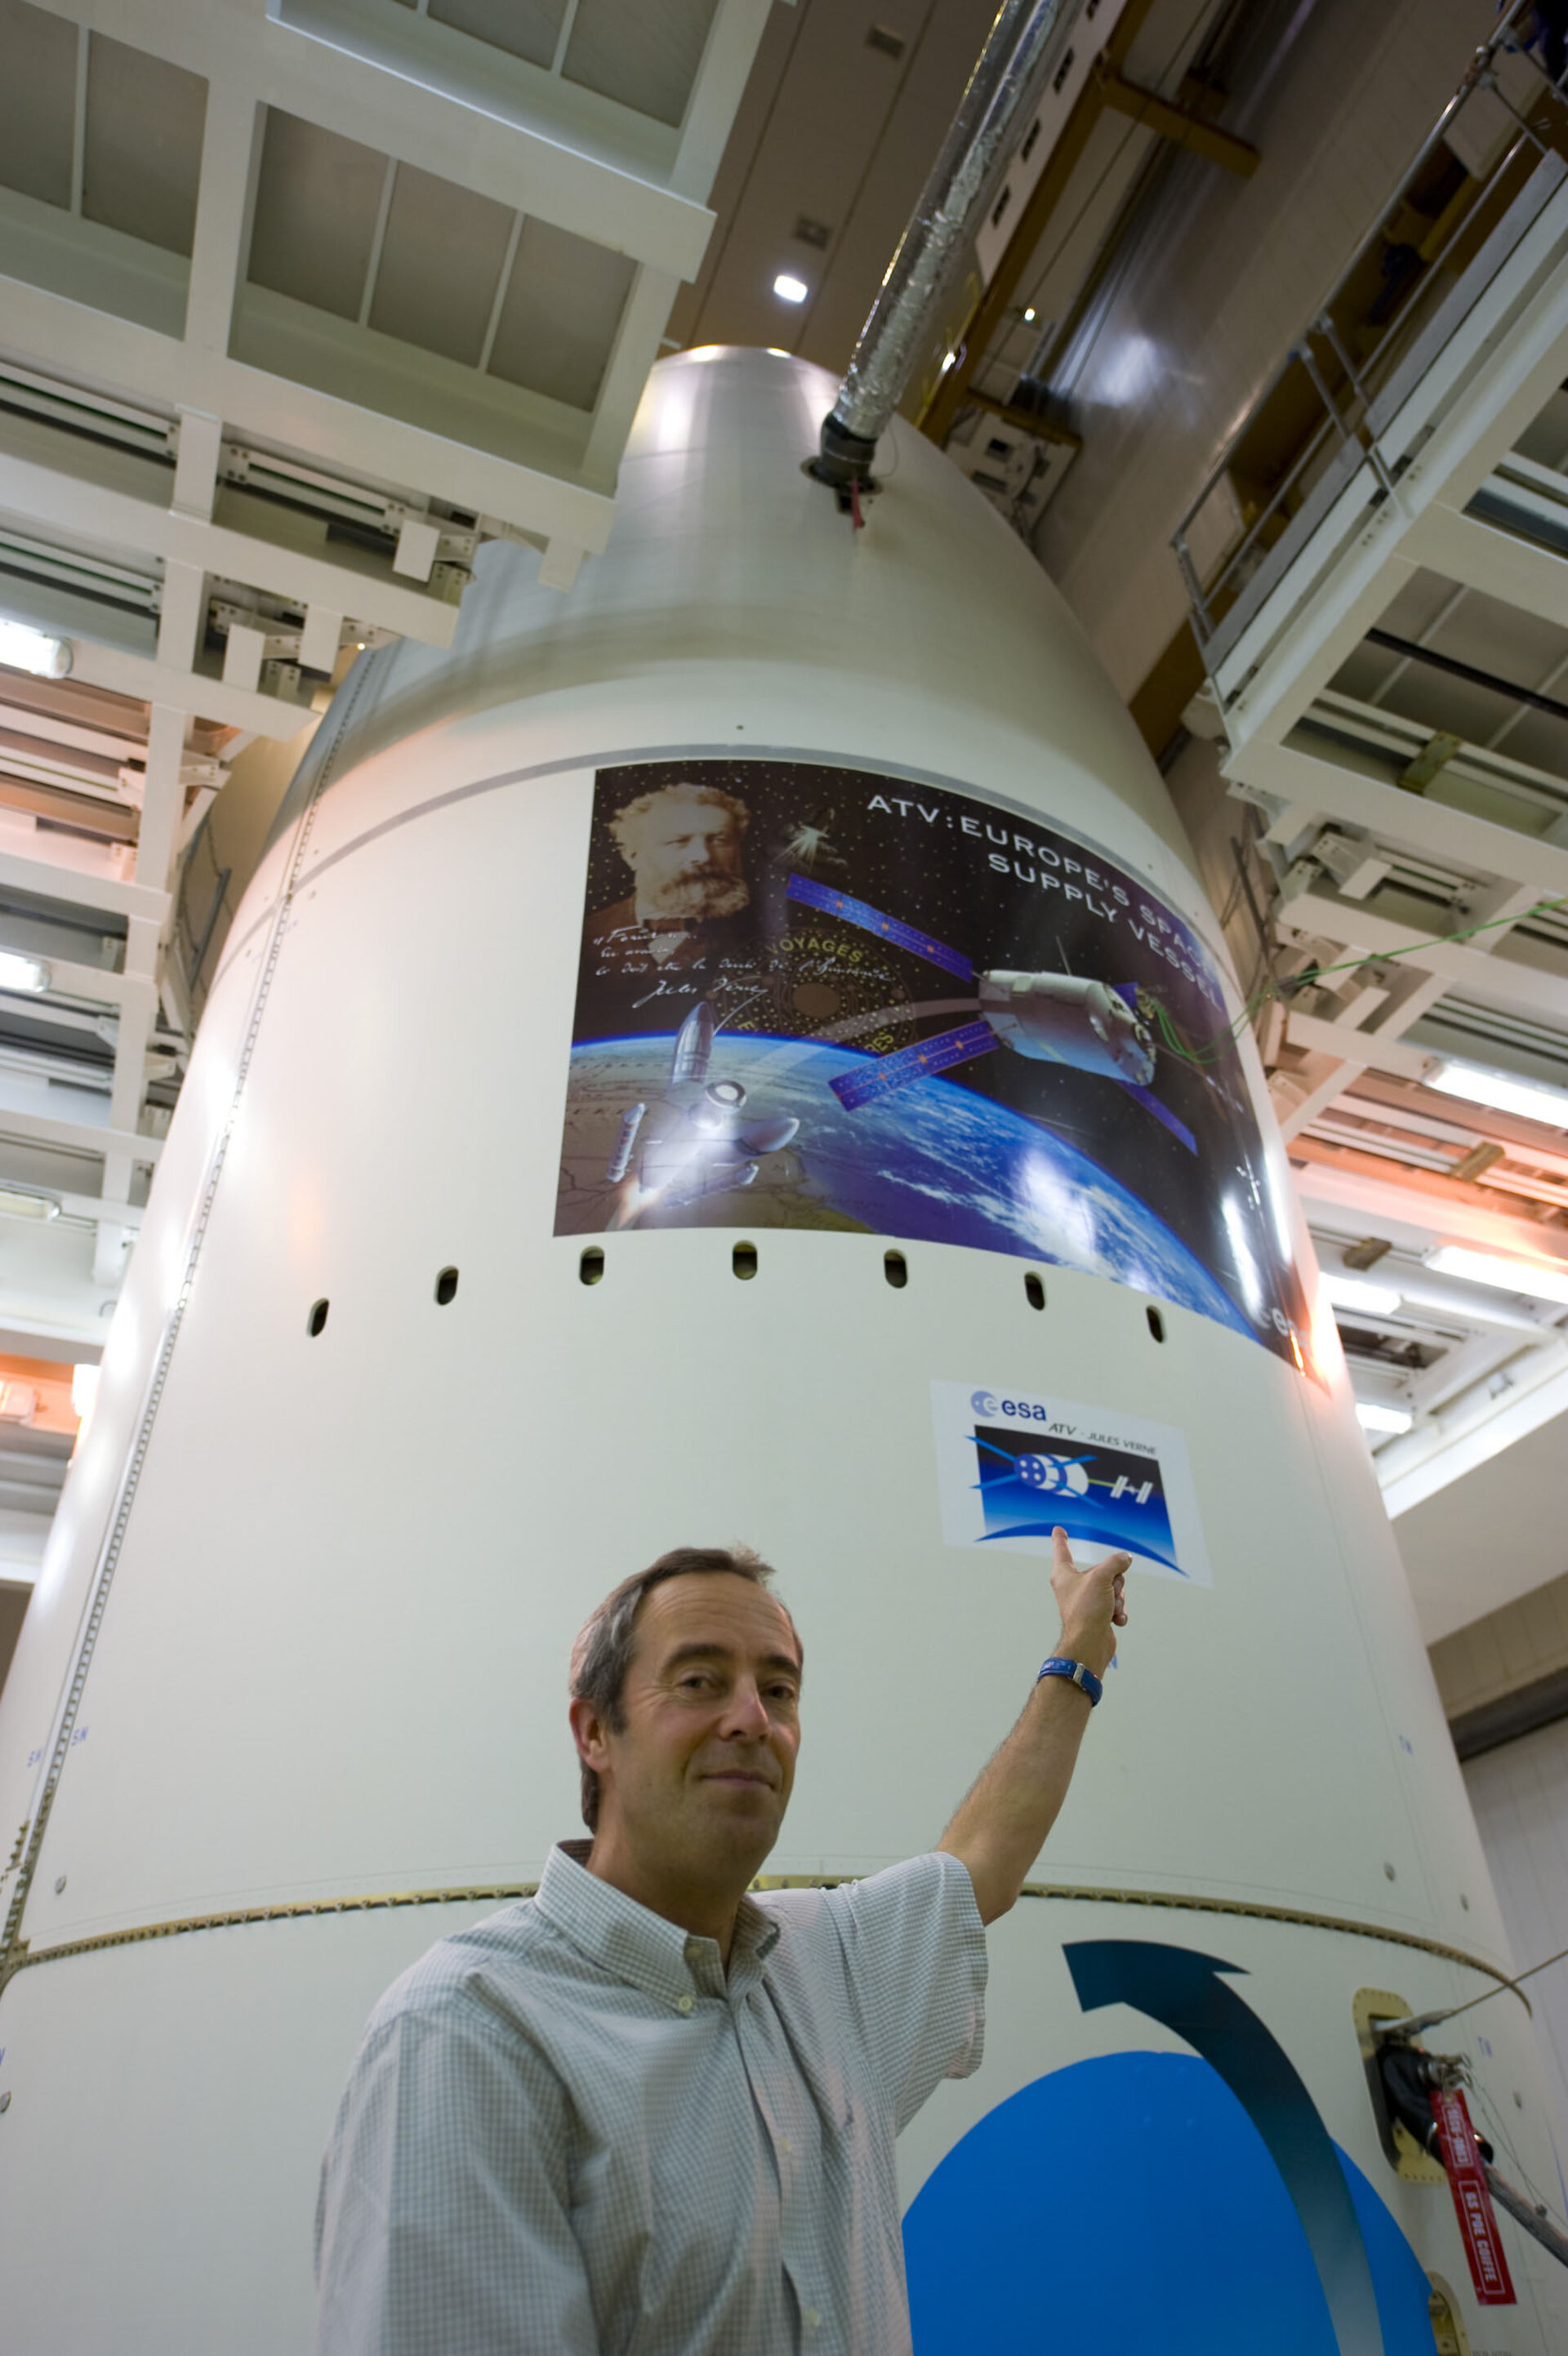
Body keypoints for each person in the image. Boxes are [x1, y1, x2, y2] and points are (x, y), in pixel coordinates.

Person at [315, 1529, 1129, 2354]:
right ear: (594, 1730)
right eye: (701, 1680)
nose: (752, 1719)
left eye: (780, 1689)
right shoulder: (468, 2030)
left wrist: (1079, 1655)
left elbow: (981, 1862)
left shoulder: (828, 1960)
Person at [584, 783, 753, 973]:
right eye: (679, 841)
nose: (703, 855)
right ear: (632, 855)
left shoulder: (764, 932)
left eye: (719, 840)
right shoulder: (586, 934)